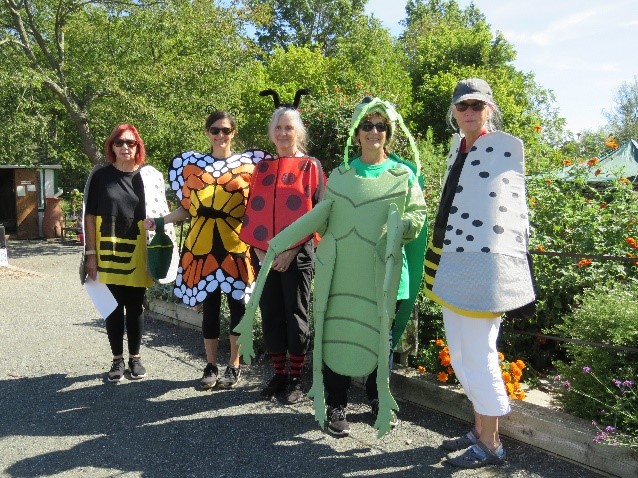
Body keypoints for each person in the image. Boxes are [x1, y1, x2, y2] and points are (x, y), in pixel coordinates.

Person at [235, 97, 427, 438]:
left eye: (381, 125)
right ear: (357, 132)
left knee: (379, 340)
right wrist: (277, 246)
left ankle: (378, 399)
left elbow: (416, 215)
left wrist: (400, 228)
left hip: (384, 276)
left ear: (390, 132)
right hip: (343, 275)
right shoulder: (340, 176)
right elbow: (321, 218)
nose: (373, 132)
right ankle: (336, 402)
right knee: (337, 334)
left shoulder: (403, 176)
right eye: (366, 125)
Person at [423, 78, 535, 468]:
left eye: (476, 105)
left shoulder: (503, 150)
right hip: (453, 263)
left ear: (489, 108)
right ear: (454, 111)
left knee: (480, 356)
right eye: (462, 106)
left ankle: (491, 445)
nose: (469, 112)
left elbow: (511, 217)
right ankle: (480, 429)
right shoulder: (459, 147)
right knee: (461, 353)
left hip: (483, 270)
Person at [145, 111, 271, 389]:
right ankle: (211, 365)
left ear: (233, 133)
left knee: (238, 305)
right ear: (207, 133)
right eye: (215, 130)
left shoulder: (251, 166)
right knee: (210, 307)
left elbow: (260, 208)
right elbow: (187, 210)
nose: (220, 136)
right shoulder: (193, 167)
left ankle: (234, 365)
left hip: (237, 246)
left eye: (226, 130)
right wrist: (160, 221)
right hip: (201, 247)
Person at [238, 90, 326, 404]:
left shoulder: (310, 167)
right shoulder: (262, 169)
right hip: (264, 254)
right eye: (278, 127)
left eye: (289, 127)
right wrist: (262, 251)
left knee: (295, 314)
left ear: (298, 131)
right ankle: (278, 374)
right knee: (271, 312)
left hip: (298, 254)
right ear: (271, 133)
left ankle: (296, 378)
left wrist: (290, 249)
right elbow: (253, 212)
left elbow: (318, 212)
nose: (283, 133)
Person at [84, 123, 177, 382]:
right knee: (112, 308)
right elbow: (90, 217)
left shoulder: (148, 177)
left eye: (131, 143)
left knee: (135, 306)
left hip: (138, 247)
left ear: (138, 146)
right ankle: (116, 360)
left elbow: (160, 212)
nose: (125, 147)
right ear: (111, 146)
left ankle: (135, 358)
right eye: (119, 142)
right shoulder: (101, 176)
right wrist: (91, 254)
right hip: (106, 247)